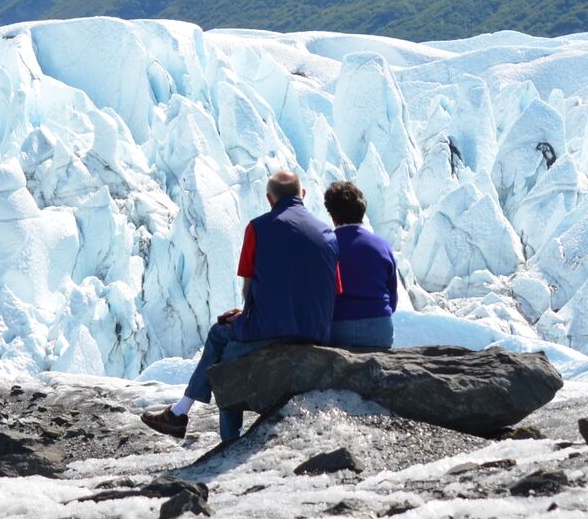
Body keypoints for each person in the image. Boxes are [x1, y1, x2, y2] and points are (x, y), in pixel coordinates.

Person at [142, 169, 337, 442]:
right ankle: (181, 415)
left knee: (221, 340)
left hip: (272, 329)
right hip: (317, 331)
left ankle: (210, 430)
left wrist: (246, 316)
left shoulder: (258, 227)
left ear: (269, 199)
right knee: (229, 344)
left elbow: (248, 288)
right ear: (302, 195)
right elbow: (332, 289)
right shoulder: (327, 232)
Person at [323, 180, 398, 349]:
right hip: (379, 328)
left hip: (338, 326)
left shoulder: (326, 246)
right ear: (362, 212)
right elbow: (392, 298)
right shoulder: (382, 245)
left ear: (332, 215)